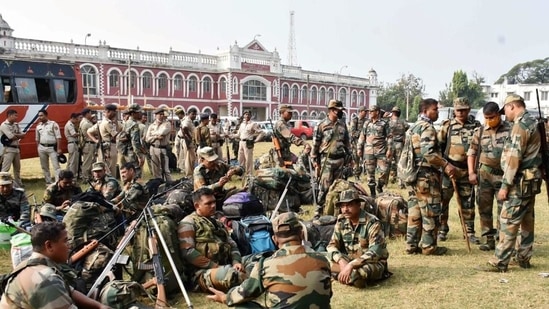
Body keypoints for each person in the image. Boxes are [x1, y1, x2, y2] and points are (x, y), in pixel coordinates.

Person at [207, 212, 332, 308]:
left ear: (275, 239)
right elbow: (328, 294)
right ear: (301, 234)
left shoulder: (265, 265)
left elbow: (244, 294)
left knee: (243, 306)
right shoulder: (322, 260)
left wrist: (224, 297)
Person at [482, 95, 542, 272]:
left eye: (505, 110)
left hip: (519, 181)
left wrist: (505, 185)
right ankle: (523, 257)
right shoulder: (532, 122)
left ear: (512, 106)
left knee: (508, 220)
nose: (504, 115)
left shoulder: (520, 126)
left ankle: (500, 261)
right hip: (531, 180)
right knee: (526, 220)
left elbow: (513, 158)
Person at [0, 222, 111, 309]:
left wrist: (99, 306)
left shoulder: (34, 265)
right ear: (49, 246)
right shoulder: (45, 279)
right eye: (65, 241)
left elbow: (70, 290)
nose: (70, 246)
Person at [406, 98, 456, 256]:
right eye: (435, 109)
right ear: (425, 111)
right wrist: (445, 164)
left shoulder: (413, 127)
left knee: (414, 210)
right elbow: (428, 154)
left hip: (413, 175)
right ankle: (429, 246)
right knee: (430, 211)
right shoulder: (427, 128)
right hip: (426, 175)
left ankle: (411, 245)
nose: (437, 112)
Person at [178, 187, 245, 293]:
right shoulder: (188, 223)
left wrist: (236, 261)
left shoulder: (217, 222)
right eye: (208, 203)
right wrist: (215, 267)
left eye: (214, 202)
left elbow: (232, 244)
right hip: (201, 273)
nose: (213, 206)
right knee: (232, 275)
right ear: (197, 206)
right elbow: (188, 252)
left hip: (226, 264)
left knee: (259, 260)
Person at [467, 102, 511, 251]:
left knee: (503, 209)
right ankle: (488, 239)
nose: (489, 120)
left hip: (503, 176)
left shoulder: (510, 130)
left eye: (491, 117)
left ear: (498, 115)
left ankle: (501, 239)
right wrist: (471, 172)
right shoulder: (480, 131)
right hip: (484, 175)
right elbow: (471, 153)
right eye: (486, 118)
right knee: (484, 208)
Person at [437, 98, 481, 243]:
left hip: (467, 170)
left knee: (468, 203)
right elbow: (439, 146)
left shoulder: (476, 126)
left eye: (464, 110)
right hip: (450, 171)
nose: (461, 113)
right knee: (443, 201)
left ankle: (469, 232)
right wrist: (444, 166)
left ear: (469, 110)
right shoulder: (447, 126)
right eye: (458, 110)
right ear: (454, 111)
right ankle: (442, 229)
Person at [327, 189, 390, 287]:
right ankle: (343, 274)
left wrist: (351, 265)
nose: (345, 209)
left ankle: (341, 275)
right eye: (343, 206)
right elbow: (331, 246)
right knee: (320, 261)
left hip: (371, 263)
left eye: (349, 205)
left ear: (358, 205)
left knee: (357, 274)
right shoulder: (341, 221)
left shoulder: (372, 222)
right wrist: (341, 261)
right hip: (349, 260)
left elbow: (375, 251)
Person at [311, 100, 351, 218]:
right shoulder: (321, 125)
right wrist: (315, 161)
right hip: (326, 161)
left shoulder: (342, 125)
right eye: (338, 110)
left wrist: (350, 158)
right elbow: (315, 145)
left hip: (340, 160)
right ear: (331, 110)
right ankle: (318, 210)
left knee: (338, 186)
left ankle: (336, 210)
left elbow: (347, 143)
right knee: (324, 187)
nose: (340, 113)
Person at [357, 104, 392, 197]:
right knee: (370, 173)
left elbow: (389, 137)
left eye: (372, 111)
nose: (370, 113)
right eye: (369, 112)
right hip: (369, 151)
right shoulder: (367, 123)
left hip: (381, 151)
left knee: (384, 171)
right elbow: (362, 136)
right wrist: (359, 148)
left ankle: (380, 186)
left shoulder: (384, 124)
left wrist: (389, 149)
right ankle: (372, 193)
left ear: (377, 112)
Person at [36, 109, 63, 185]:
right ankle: (48, 182)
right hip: (42, 147)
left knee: (56, 166)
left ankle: (58, 182)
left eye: (41, 115)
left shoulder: (53, 124)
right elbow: (37, 138)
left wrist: (59, 148)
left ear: (46, 115)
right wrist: (38, 148)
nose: (40, 117)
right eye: (39, 116)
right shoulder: (38, 126)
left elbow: (58, 137)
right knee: (44, 166)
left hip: (52, 148)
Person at [145, 107, 173, 181]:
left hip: (162, 148)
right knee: (155, 169)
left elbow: (162, 133)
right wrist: (156, 137)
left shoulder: (167, 124)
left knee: (165, 170)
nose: (161, 116)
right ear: (156, 115)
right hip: (153, 148)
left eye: (162, 114)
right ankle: (158, 184)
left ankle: (169, 184)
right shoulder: (152, 125)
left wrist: (153, 134)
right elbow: (147, 139)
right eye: (159, 114)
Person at [0, 109, 25, 188]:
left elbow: (23, 135)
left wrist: (16, 135)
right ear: (10, 116)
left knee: (17, 168)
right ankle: (2, 183)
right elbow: (11, 137)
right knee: (5, 169)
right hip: (8, 149)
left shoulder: (16, 124)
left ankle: (18, 184)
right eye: (15, 116)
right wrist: (17, 135)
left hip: (16, 149)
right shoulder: (4, 125)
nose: (16, 117)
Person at [235, 110, 264, 175]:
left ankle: (249, 174)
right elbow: (238, 134)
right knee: (240, 159)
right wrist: (229, 135)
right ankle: (241, 173)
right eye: (245, 114)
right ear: (243, 115)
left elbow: (262, 132)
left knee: (248, 160)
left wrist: (256, 140)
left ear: (250, 116)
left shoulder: (253, 124)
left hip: (248, 143)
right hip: (241, 142)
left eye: (248, 114)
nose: (247, 116)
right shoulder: (242, 124)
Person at [121, 104, 146, 178]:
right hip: (133, 152)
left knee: (129, 172)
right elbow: (135, 142)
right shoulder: (134, 125)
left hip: (127, 151)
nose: (140, 114)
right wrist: (139, 156)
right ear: (132, 113)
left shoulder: (126, 123)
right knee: (136, 172)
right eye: (138, 112)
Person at [387, 106, 409, 187]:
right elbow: (407, 127)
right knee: (399, 163)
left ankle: (384, 182)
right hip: (399, 144)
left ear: (392, 112)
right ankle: (401, 183)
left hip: (390, 144)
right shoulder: (403, 122)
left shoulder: (388, 122)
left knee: (387, 163)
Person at [98, 104, 120, 177]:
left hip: (107, 145)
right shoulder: (107, 123)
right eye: (114, 112)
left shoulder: (104, 122)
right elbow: (116, 134)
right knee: (111, 167)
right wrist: (116, 122)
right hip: (110, 146)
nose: (115, 114)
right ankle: (111, 182)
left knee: (108, 166)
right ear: (108, 112)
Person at [349, 106, 368, 180]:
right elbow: (352, 132)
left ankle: (366, 174)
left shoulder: (367, 121)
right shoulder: (355, 120)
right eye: (364, 111)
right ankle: (356, 175)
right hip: (356, 144)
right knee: (356, 160)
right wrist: (362, 134)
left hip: (366, 144)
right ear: (360, 112)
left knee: (366, 160)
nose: (366, 113)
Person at [178, 108, 197, 177]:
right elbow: (184, 128)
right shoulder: (187, 120)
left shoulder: (189, 120)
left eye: (195, 114)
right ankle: (189, 175)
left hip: (186, 140)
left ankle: (189, 173)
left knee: (190, 158)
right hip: (187, 140)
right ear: (188, 114)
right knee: (189, 159)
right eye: (193, 114)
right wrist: (189, 137)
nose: (194, 116)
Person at [79, 108, 96, 181]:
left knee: (90, 161)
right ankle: (85, 178)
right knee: (87, 162)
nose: (91, 115)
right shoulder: (86, 123)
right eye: (90, 113)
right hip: (88, 144)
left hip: (88, 143)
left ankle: (88, 176)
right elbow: (94, 133)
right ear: (87, 114)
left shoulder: (85, 122)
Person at [64, 112, 81, 177]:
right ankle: (73, 176)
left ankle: (67, 175)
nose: (77, 121)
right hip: (72, 143)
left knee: (70, 161)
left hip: (72, 144)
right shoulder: (69, 125)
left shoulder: (71, 124)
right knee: (73, 161)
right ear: (73, 118)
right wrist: (81, 133)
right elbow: (74, 134)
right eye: (76, 119)